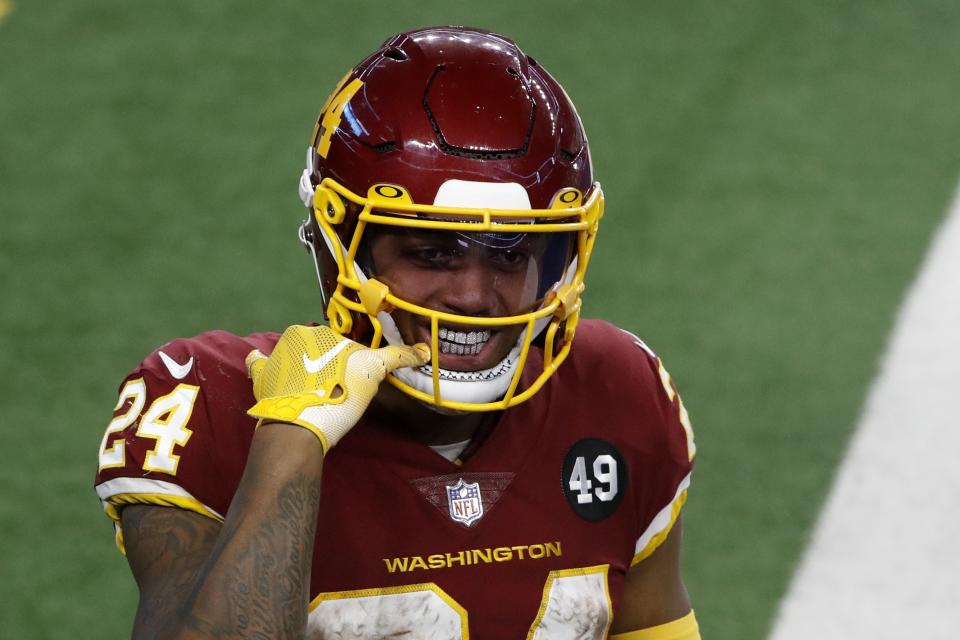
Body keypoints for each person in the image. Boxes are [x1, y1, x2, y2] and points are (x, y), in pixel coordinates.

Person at [94, 26, 700, 640]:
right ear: (341, 251)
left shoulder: (619, 392)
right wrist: (289, 441)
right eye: (431, 253)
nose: (472, 295)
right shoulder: (207, 404)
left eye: (510, 254)